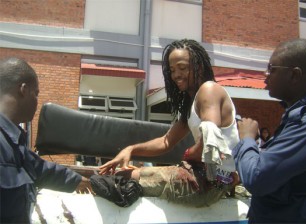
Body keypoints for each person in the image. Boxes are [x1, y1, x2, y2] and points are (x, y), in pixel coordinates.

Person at [99, 39, 240, 207]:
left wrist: (189, 154)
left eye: (182, 68)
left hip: (210, 184)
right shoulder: (192, 103)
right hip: (206, 178)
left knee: (120, 178)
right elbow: (166, 141)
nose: (176, 75)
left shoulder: (209, 90)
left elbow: (210, 137)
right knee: (126, 175)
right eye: (172, 70)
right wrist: (131, 149)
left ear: (199, 66)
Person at [233, 38, 306, 223]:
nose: (265, 75)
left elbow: (258, 178)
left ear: (295, 75)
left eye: (272, 69)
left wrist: (247, 138)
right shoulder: (302, 111)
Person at [0, 57, 93, 223]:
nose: (37, 102)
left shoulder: (14, 143)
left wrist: (83, 182)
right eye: (36, 94)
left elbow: (41, 170)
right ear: (23, 89)